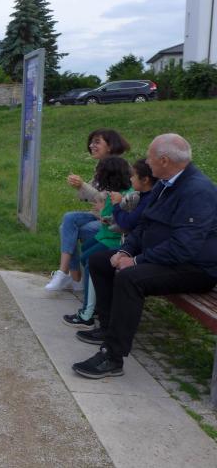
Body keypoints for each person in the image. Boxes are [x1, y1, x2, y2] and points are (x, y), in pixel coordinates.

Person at [73, 134, 217, 379]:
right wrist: (125, 250)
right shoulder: (165, 184)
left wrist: (136, 261)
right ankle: (107, 329)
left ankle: (112, 356)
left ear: (164, 160)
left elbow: (184, 247)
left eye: (150, 158)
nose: (146, 163)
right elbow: (144, 224)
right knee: (100, 261)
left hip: (196, 268)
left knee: (130, 277)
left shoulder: (198, 191)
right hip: (164, 258)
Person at [45, 129, 131, 292]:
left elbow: (106, 199)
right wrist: (81, 187)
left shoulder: (118, 166)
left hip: (111, 222)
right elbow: (93, 197)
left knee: (67, 230)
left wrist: (82, 186)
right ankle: (68, 275)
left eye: (97, 142)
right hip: (98, 215)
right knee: (68, 219)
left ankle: (73, 277)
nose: (92, 146)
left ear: (110, 146)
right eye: (91, 142)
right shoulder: (100, 166)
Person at [61, 156, 132, 329]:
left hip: (115, 240)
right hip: (105, 235)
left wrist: (105, 215)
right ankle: (97, 302)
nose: (97, 177)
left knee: (91, 261)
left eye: (100, 173)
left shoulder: (126, 195)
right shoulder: (113, 191)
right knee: (86, 251)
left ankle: (88, 313)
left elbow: (123, 223)